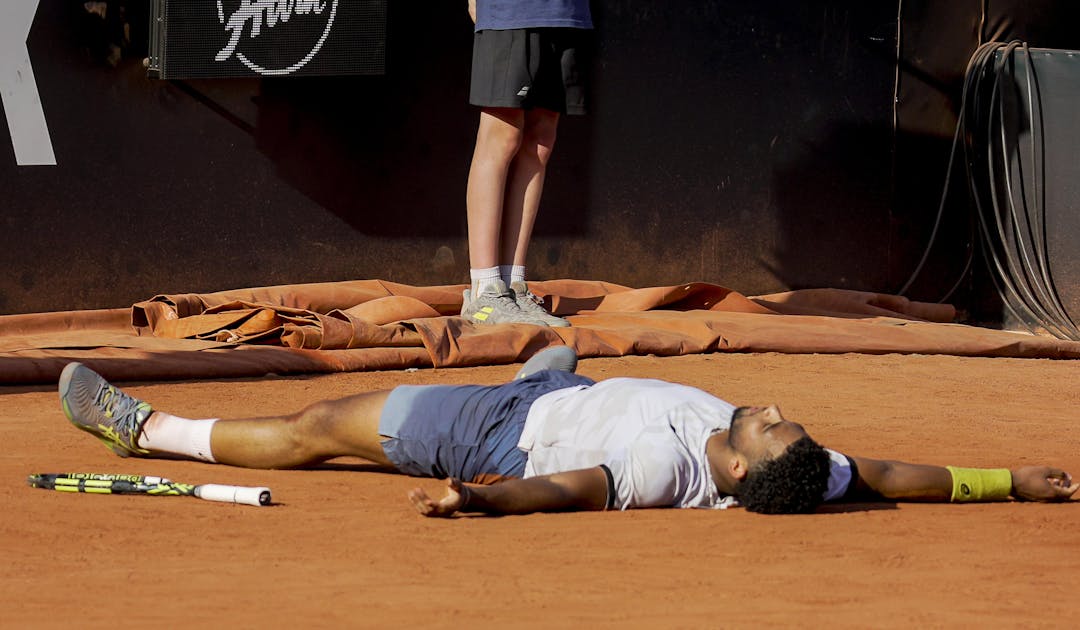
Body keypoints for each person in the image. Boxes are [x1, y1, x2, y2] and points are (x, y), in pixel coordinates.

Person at [58, 347, 1078, 517]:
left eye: (770, 426)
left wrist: (485, 498)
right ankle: (547, 365)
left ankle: (145, 429)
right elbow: (891, 474)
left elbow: (572, 492)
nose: (773, 411)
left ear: (735, 465)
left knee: (320, 425)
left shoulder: (655, 462)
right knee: (560, 348)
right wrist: (1002, 481)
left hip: (500, 435)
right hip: (570, 392)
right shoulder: (802, 468)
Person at [459, 0, 593, 327]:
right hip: (511, 9)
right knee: (501, 135)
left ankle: (513, 285)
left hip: (567, 12)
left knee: (541, 140)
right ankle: (485, 292)